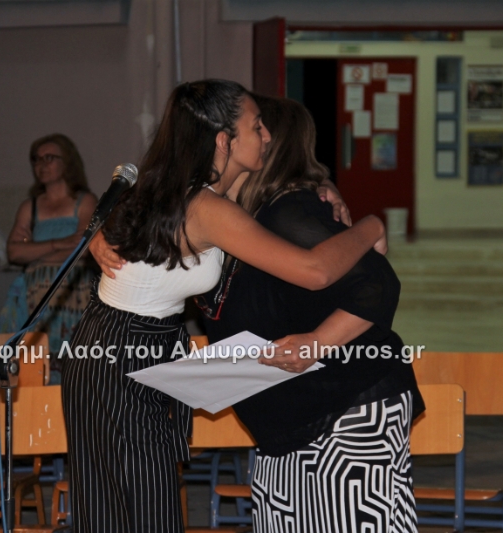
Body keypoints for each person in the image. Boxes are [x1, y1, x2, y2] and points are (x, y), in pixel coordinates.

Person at [61, 79, 388, 533]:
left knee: (131, 508)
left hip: (120, 343)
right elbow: (315, 272)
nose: (267, 136)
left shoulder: (193, 189)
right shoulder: (206, 207)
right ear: (223, 141)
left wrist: (326, 188)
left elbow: (291, 178)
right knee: (136, 511)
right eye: (256, 127)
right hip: (121, 352)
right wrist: (372, 225)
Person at [198, 95, 424, 532]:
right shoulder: (239, 218)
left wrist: (317, 342)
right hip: (288, 414)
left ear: (270, 144)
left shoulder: (290, 211)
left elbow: (377, 283)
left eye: (257, 127)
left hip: (346, 406)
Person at [0, 133, 97, 381]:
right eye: (37, 159)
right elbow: (14, 252)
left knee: (74, 371)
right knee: (33, 371)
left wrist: (35, 251)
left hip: (73, 295)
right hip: (34, 298)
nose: (41, 164)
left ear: (68, 162)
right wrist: (60, 243)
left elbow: (84, 248)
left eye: (49, 158)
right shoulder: (29, 206)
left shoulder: (85, 201)